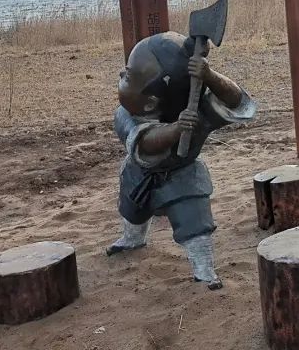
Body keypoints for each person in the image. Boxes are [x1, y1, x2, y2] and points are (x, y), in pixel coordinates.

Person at [106, 31, 256, 289]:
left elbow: (237, 102)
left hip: (184, 175)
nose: (121, 74)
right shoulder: (126, 115)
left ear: (151, 103)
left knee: (194, 224)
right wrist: (176, 129)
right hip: (139, 173)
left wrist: (209, 76)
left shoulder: (198, 110)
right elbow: (145, 141)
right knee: (132, 210)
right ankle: (132, 239)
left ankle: (204, 269)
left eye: (128, 76)